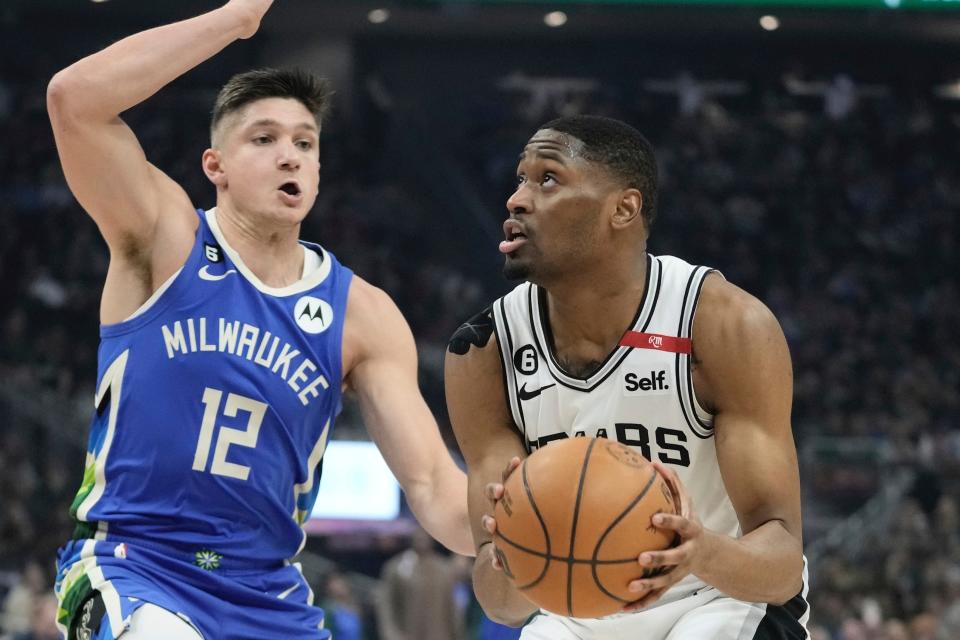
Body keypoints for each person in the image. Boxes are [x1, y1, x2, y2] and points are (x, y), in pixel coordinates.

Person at [46, 1, 472, 638]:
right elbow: (72, 99)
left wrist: (520, 525)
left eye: (305, 143)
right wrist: (238, 18)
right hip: (136, 567)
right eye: (264, 138)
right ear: (214, 166)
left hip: (266, 592)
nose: (291, 155)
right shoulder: (164, 237)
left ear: (321, 169)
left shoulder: (362, 313)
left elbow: (435, 488)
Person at [445, 114, 809, 638]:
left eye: (547, 178)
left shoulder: (722, 325)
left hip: (717, 594)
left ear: (624, 207)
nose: (517, 200)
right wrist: (514, 553)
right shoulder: (483, 352)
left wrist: (697, 551)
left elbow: (781, 568)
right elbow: (502, 607)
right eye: (519, 179)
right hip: (576, 608)